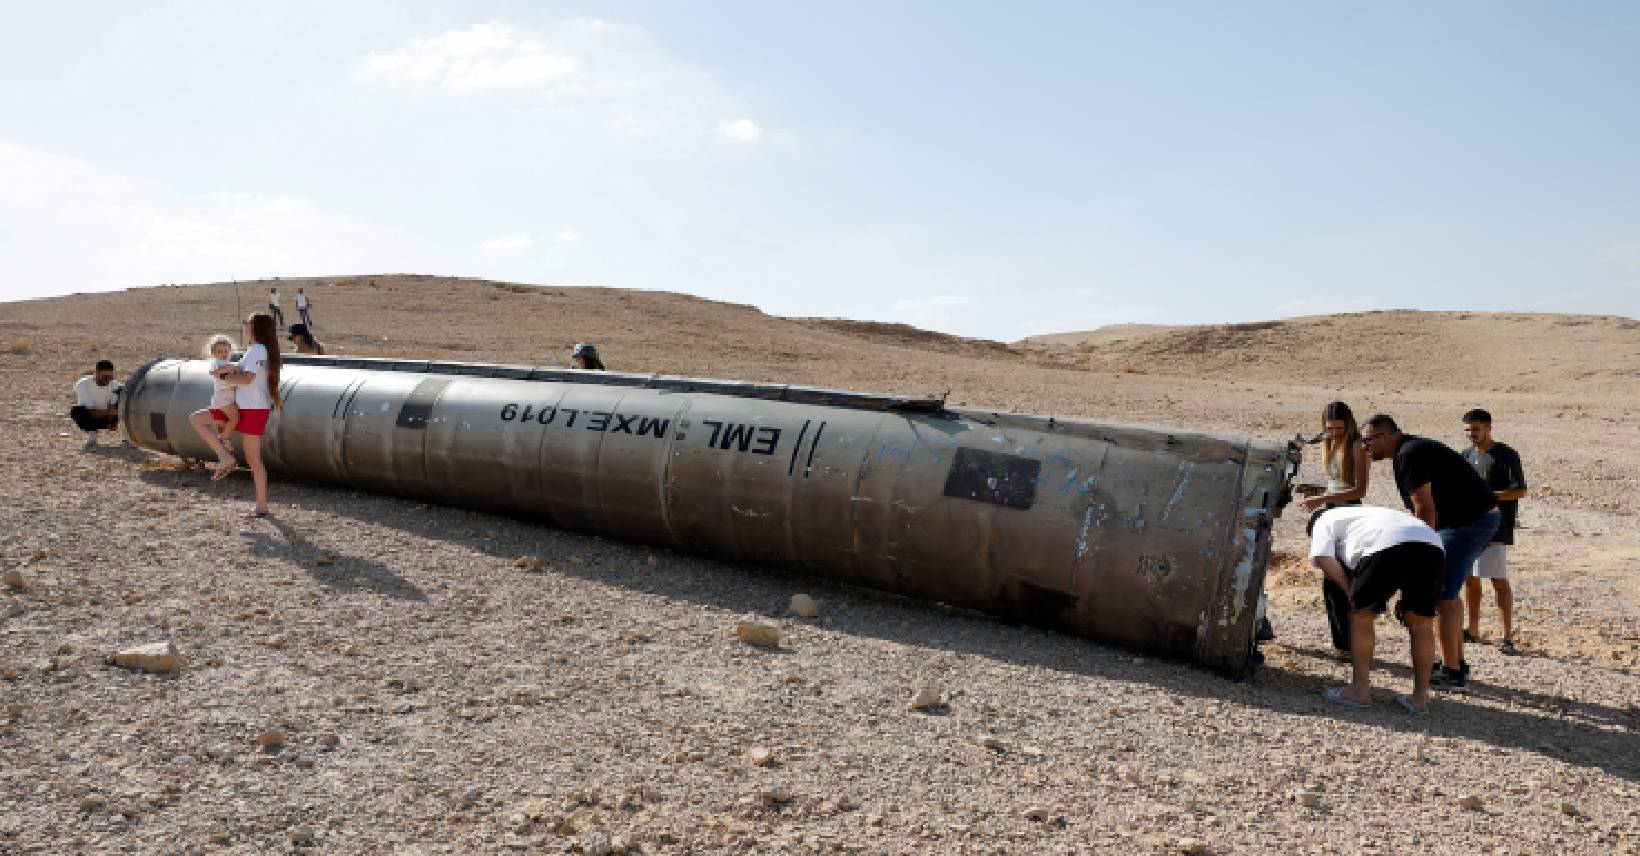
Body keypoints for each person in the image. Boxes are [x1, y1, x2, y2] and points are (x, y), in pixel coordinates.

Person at [1360, 414, 1499, 691]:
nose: (1365, 448)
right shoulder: (1409, 450)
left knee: (1443, 595)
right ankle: (1455, 662)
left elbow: (1425, 507)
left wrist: (1423, 558)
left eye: (1367, 441)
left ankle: (1453, 673)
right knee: (1447, 593)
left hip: (1469, 522)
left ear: (1385, 437)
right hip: (1471, 519)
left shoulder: (1409, 455)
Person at [1309, 505, 1443, 713]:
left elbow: (1322, 557)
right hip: (1432, 543)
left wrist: (1350, 591)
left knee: (1362, 617)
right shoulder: (1363, 514)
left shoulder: (1323, 520)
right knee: (1422, 624)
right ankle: (1420, 699)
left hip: (1383, 544)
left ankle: (1359, 691)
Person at [1295, 402, 1373, 659]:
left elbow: (1359, 490)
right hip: (1332, 509)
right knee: (1330, 578)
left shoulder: (1357, 446)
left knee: (1339, 576)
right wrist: (1319, 493)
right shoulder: (1328, 443)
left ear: (1349, 424)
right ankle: (1343, 643)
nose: (1335, 432)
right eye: (1330, 428)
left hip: (1348, 511)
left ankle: (1349, 645)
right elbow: (1336, 483)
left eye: (1340, 427)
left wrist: (1321, 499)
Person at [188, 312, 282, 517]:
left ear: (255, 328)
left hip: (253, 409)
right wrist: (222, 373)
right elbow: (238, 370)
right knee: (197, 419)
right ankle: (224, 456)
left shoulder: (258, 350)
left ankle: (262, 506)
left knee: (253, 460)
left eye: (247, 323)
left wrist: (223, 376)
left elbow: (246, 379)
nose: (244, 326)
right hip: (238, 406)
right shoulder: (252, 350)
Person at [1460, 409, 1528, 653]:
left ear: (1489, 428)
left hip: (1496, 527)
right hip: (1468, 526)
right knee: (1471, 578)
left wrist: (1487, 497)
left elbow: (1519, 490)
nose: (1471, 434)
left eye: (1476, 429)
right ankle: (1472, 629)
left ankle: (1506, 635)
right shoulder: (1465, 456)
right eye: (1467, 429)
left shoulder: (1506, 455)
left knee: (1498, 580)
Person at [70, 359, 122, 447]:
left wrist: (112, 420)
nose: (108, 380)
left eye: (110, 377)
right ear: (97, 373)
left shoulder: (115, 384)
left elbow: (113, 404)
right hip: (93, 416)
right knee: (77, 411)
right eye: (105, 377)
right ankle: (92, 432)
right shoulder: (82, 384)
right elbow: (91, 412)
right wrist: (112, 413)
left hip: (109, 414)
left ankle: (127, 433)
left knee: (125, 395)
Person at [203, 335, 240, 439]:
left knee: (224, 421)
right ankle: (225, 438)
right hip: (224, 399)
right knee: (235, 419)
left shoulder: (226, 363)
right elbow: (216, 373)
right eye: (219, 352)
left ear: (230, 351)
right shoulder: (218, 363)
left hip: (226, 398)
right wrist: (231, 368)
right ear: (213, 353)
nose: (223, 354)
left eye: (226, 351)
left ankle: (222, 437)